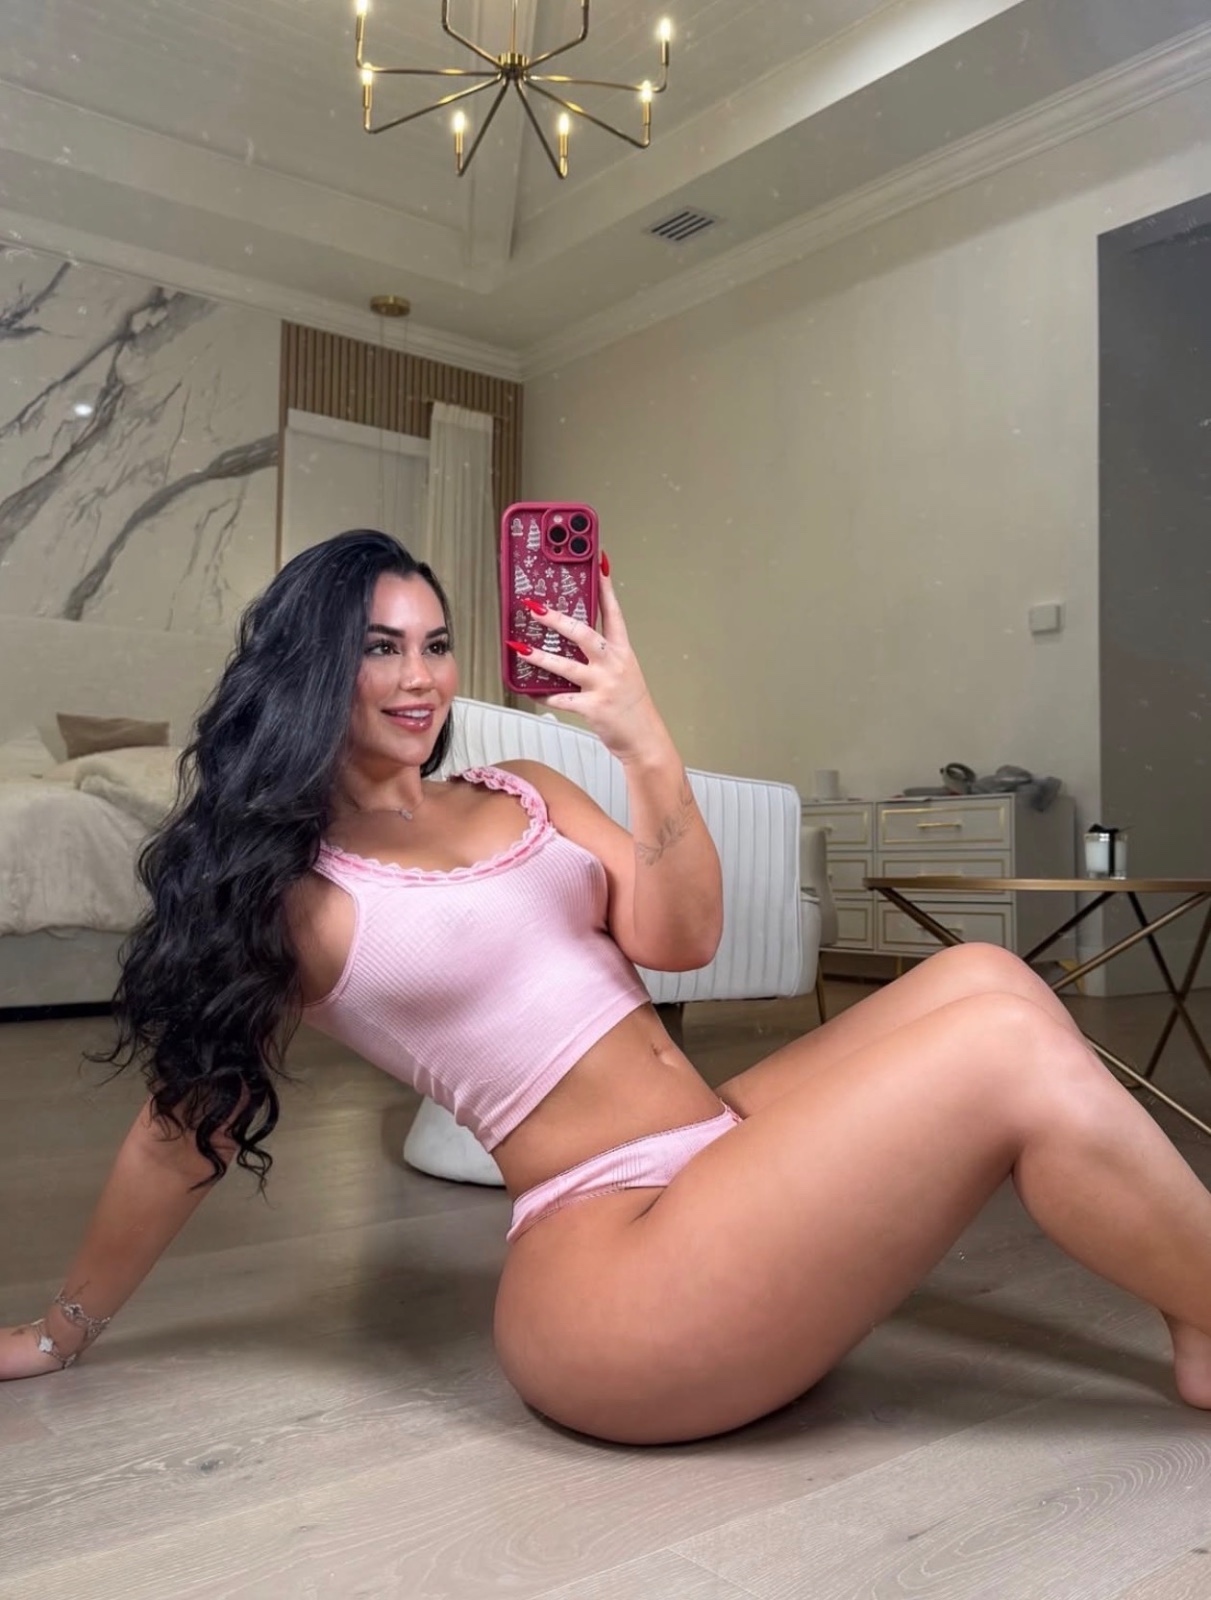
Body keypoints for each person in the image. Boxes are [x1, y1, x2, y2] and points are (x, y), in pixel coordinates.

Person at [5, 528, 1211, 1447]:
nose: (419, 677)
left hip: (714, 1161)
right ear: (312, 667)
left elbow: (683, 938)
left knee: (983, 974)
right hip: (609, 1274)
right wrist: (62, 1331)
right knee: (1001, 1048)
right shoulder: (299, 896)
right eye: (380, 647)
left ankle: (1193, 1311)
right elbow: (179, 1133)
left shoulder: (521, 787)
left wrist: (639, 739)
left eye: (435, 643)